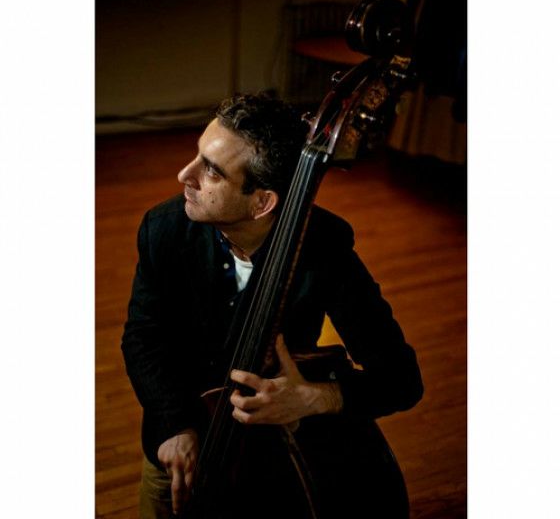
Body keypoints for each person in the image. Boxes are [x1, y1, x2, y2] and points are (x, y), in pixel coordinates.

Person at [122, 93, 423, 519]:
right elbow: (143, 336)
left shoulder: (325, 248)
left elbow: (402, 379)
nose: (184, 175)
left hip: (268, 459)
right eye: (197, 155)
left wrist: (314, 398)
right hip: (179, 438)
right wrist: (174, 425)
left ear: (262, 202)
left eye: (212, 171)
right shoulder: (165, 228)